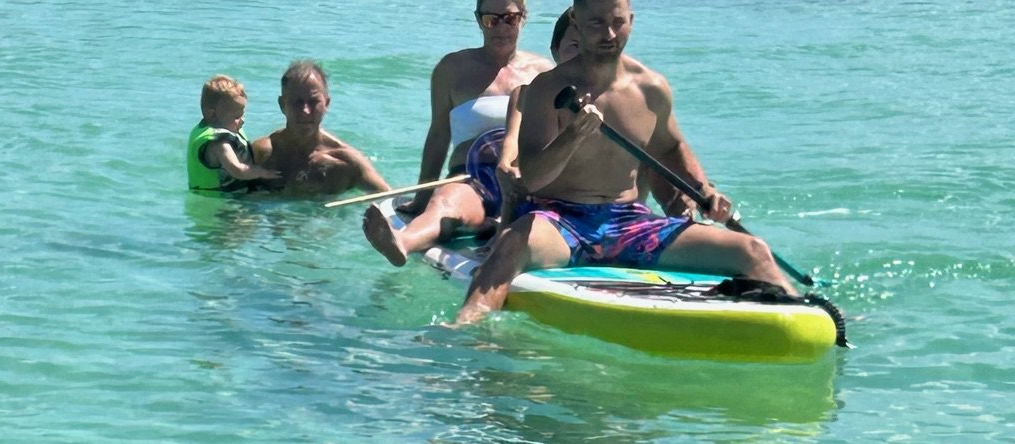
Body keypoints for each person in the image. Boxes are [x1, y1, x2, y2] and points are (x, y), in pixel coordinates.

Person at [455, 0, 797, 324]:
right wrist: (572, 137)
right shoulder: (548, 89)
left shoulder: (651, 88)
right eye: (596, 23)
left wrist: (704, 189)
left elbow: (670, 146)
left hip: (632, 224)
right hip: (562, 220)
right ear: (576, 21)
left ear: (631, 20)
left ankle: (809, 316)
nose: (608, 34)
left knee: (751, 249)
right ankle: (468, 330)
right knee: (511, 244)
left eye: (617, 22)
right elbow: (533, 179)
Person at [363, 7, 571, 269]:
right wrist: (422, 195)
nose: (501, 27)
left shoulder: (543, 72)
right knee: (446, 206)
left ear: (523, 17)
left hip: (525, 182)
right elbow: (439, 134)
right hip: (471, 180)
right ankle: (402, 243)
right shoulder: (451, 69)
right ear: (478, 20)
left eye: (510, 18)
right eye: (491, 19)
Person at [250, 62, 389, 199]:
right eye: (297, 102)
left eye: (313, 102)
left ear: (326, 104)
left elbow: (389, 198)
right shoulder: (262, 153)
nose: (305, 111)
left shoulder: (346, 163)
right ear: (282, 105)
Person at [186, 76, 282, 194]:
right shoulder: (219, 143)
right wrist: (261, 172)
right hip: (220, 202)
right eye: (236, 117)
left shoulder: (206, 129)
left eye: (242, 115)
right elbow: (238, 170)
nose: (242, 120)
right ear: (212, 114)